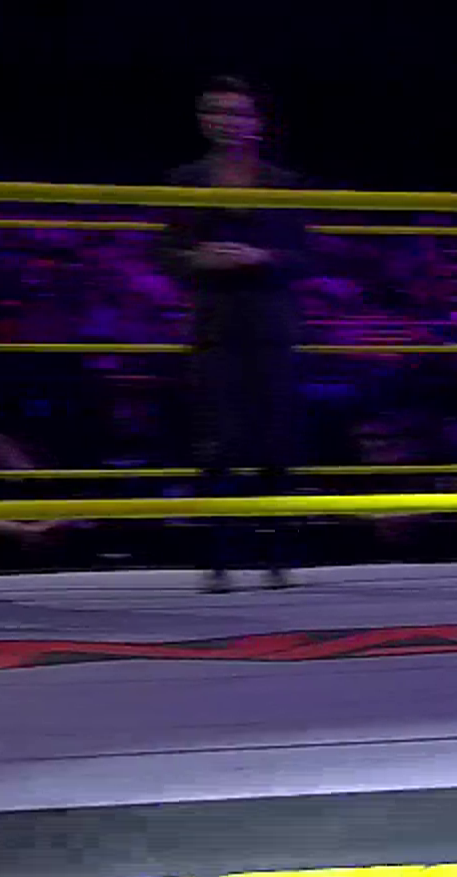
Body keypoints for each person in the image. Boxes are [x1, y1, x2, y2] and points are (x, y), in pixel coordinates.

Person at [160, 75, 309, 593]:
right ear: (203, 120)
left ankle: (278, 559)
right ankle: (218, 561)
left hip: (271, 323)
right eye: (217, 111)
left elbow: (306, 256)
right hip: (214, 323)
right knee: (216, 443)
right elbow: (166, 254)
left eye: (238, 112)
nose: (228, 122)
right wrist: (198, 259)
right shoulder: (185, 180)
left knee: (276, 439)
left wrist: (260, 256)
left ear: (257, 122)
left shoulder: (283, 183)